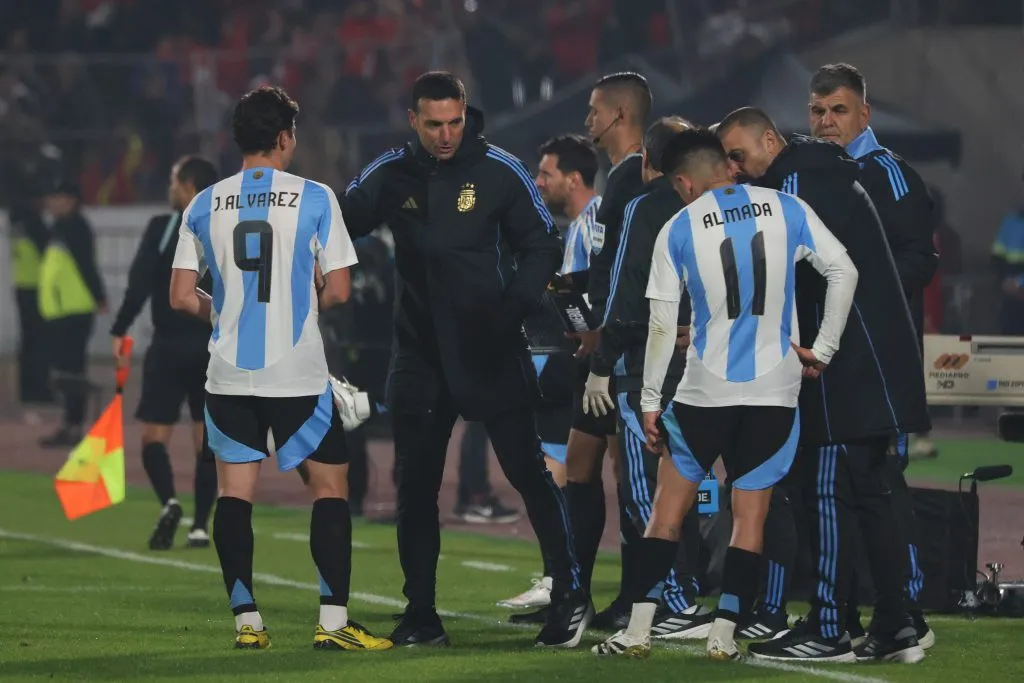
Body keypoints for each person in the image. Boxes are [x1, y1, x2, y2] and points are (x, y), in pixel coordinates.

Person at [339, 71, 589, 648]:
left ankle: (570, 596)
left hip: (491, 347)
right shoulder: (389, 173)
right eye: (434, 124)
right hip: (421, 355)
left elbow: (542, 243)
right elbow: (340, 222)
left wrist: (514, 306)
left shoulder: (500, 169)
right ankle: (421, 616)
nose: (447, 134)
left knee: (527, 471)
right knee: (416, 486)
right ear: (413, 120)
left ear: (464, 114)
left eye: (454, 121)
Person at [593, 127, 858, 660]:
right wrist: (823, 349)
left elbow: (663, 325)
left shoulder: (679, 225)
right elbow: (843, 270)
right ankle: (724, 635)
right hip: (774, 390)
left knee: (666, 511)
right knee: (749, 518)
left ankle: (638, 631)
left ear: (686, 183)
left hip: (703, 391)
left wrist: (649, 400)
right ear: (729, 167)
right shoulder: (786, 206)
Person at [169, 85, 391, 651]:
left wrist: (227, 313)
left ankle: (247, 625)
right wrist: (307, 296)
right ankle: (334, 625)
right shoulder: (316, 197)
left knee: (234, 495)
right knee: (330, 490)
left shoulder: (202, 203)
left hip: (227, 374)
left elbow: (179, 296)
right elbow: (339, 289)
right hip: (296, 372)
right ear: (286, 137)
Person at [717, 107, 929, 663]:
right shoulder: (821, 170)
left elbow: (803, 269)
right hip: (873, 361)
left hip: (844, 367)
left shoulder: (795, 179)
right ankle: (896, 622)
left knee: (830, 492)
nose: (735, 170)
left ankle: (831, 626)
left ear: (770, 140)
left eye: (739, 155)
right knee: (872, 494)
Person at [808, 63, 937, 648]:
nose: (826, 121)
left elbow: (918, 259)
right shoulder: (820, 175)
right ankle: (871, 612)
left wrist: (852, 292)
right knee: (847, 488)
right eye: (817, 111)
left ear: (865, 112)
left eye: (837, 109)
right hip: (837, 359)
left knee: (879, 483)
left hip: (880, 362)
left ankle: (905, 609)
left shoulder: (890, 174)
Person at [584, 115, 716, 640]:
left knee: (647, 494)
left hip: (648, 374)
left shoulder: (644, 208)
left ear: (648, 164)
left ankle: (675, 600)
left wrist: (599, 365)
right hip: (712, 375)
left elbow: (626, 296)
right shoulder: (721, 210)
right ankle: (697, 590)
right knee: (702, 486)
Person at [500, 133, 601, 615]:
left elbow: (575, 302)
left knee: (556, 471)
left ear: (573, 177)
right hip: (582, 363)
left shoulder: (581, 228)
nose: (539, 183)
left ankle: (561, 580)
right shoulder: (594, 219)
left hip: (568, 362)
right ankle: (568, 580)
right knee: (577, 472)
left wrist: (584, 338)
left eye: (546, 174)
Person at [570, 72, 651, 631]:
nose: (588, 120)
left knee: (642, 480)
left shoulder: (632, 182)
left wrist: (604, 339)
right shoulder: (628, 178)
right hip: (624, 346)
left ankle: (654, 594)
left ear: (620, 114)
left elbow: (626, 275)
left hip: (632, 352)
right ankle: (637, 592)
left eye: (595, 110)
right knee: (631, 477)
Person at [110, 156, 220, 550]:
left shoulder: (163, 228)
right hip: (211, 346)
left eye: (174, 181)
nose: (170, 187)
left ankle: (170, 502)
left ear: (189, 186)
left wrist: (119, 328)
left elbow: (139, 284)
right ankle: (199, 527)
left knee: (153, 437)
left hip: (168, 347)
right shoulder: (224, 227)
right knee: (206, 439)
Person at [36, 177, 107, 447]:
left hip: (74, 310)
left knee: (73, 371)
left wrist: (99, 296)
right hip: (61, 310)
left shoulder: (76, 227)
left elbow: (86, 264)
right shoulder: (59, 227)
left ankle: (75, 426)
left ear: (71, 200)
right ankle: (70, 424)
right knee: (66, 370)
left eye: (57, 198)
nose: (51, 203)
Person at [8, 170, 53, 414]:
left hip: (22, 284)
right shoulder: (33, 221)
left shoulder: (16, 218)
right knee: (39, 341)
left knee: (28, 341)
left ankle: (27, 389)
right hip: (37, 286)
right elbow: (49, 248)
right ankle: (39, 390)